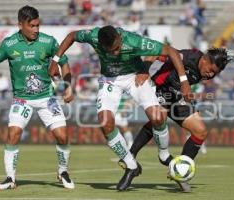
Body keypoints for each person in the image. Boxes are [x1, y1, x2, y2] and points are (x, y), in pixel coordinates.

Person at [49, 25, 191, 191]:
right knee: (105, 123)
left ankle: (164, 154)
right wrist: (55, 60)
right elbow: (72, 35)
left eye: (118, 47)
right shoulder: (94, 36)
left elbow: (171, 51)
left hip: (135, 76)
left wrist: (184, 81)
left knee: (158, 117)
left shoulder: (134, 41)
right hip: (110, 80)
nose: (116, 52)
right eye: (112, 50)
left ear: (119, 38)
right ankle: (131, 165)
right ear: (100, 44)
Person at [119, 48, 233, 191]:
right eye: (210, 70)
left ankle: (179, 170)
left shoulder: (208, 73)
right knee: (159, 117)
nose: (211, 74)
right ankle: (131, 156)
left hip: (177, 96)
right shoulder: (187, 56)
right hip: (159, 89)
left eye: (215, 73)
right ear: (204, 59)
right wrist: (145, 71)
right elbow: (153, 53)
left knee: (201, 132)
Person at [0, 5, 75, 190]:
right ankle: (10, 178)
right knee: (13, 134)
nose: (36, 29)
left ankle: (63, 171)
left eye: (37, 25)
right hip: (21, 99)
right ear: (20, 25)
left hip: (46, 98)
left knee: (62, 136)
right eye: (32, 26)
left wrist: (67, 87)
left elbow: (64, 63)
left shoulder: (48, 42)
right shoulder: (8, 44)